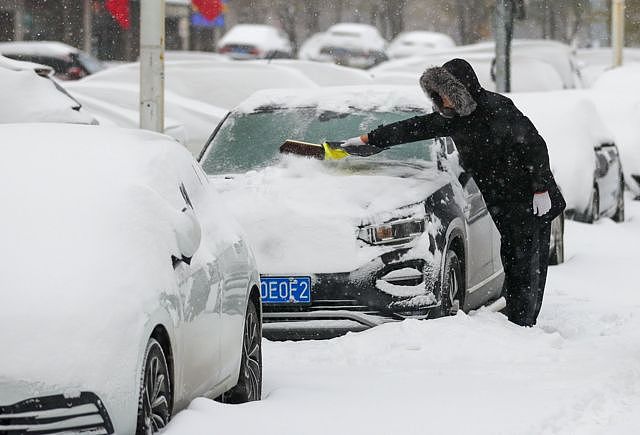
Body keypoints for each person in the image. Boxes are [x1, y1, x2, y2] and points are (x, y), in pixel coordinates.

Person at [339, 58, 565, 327]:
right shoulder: (453, 120)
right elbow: (413, 128)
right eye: (438, 95)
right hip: (502, 200)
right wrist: (370, 140)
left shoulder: (498, 108)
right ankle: (520, 320)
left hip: (533, 197)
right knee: (514, 258)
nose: (442, 99)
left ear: (462, 90)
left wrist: (540, 188)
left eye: (445, 93)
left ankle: (522, 323)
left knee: (526, 264)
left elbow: (534, 145)